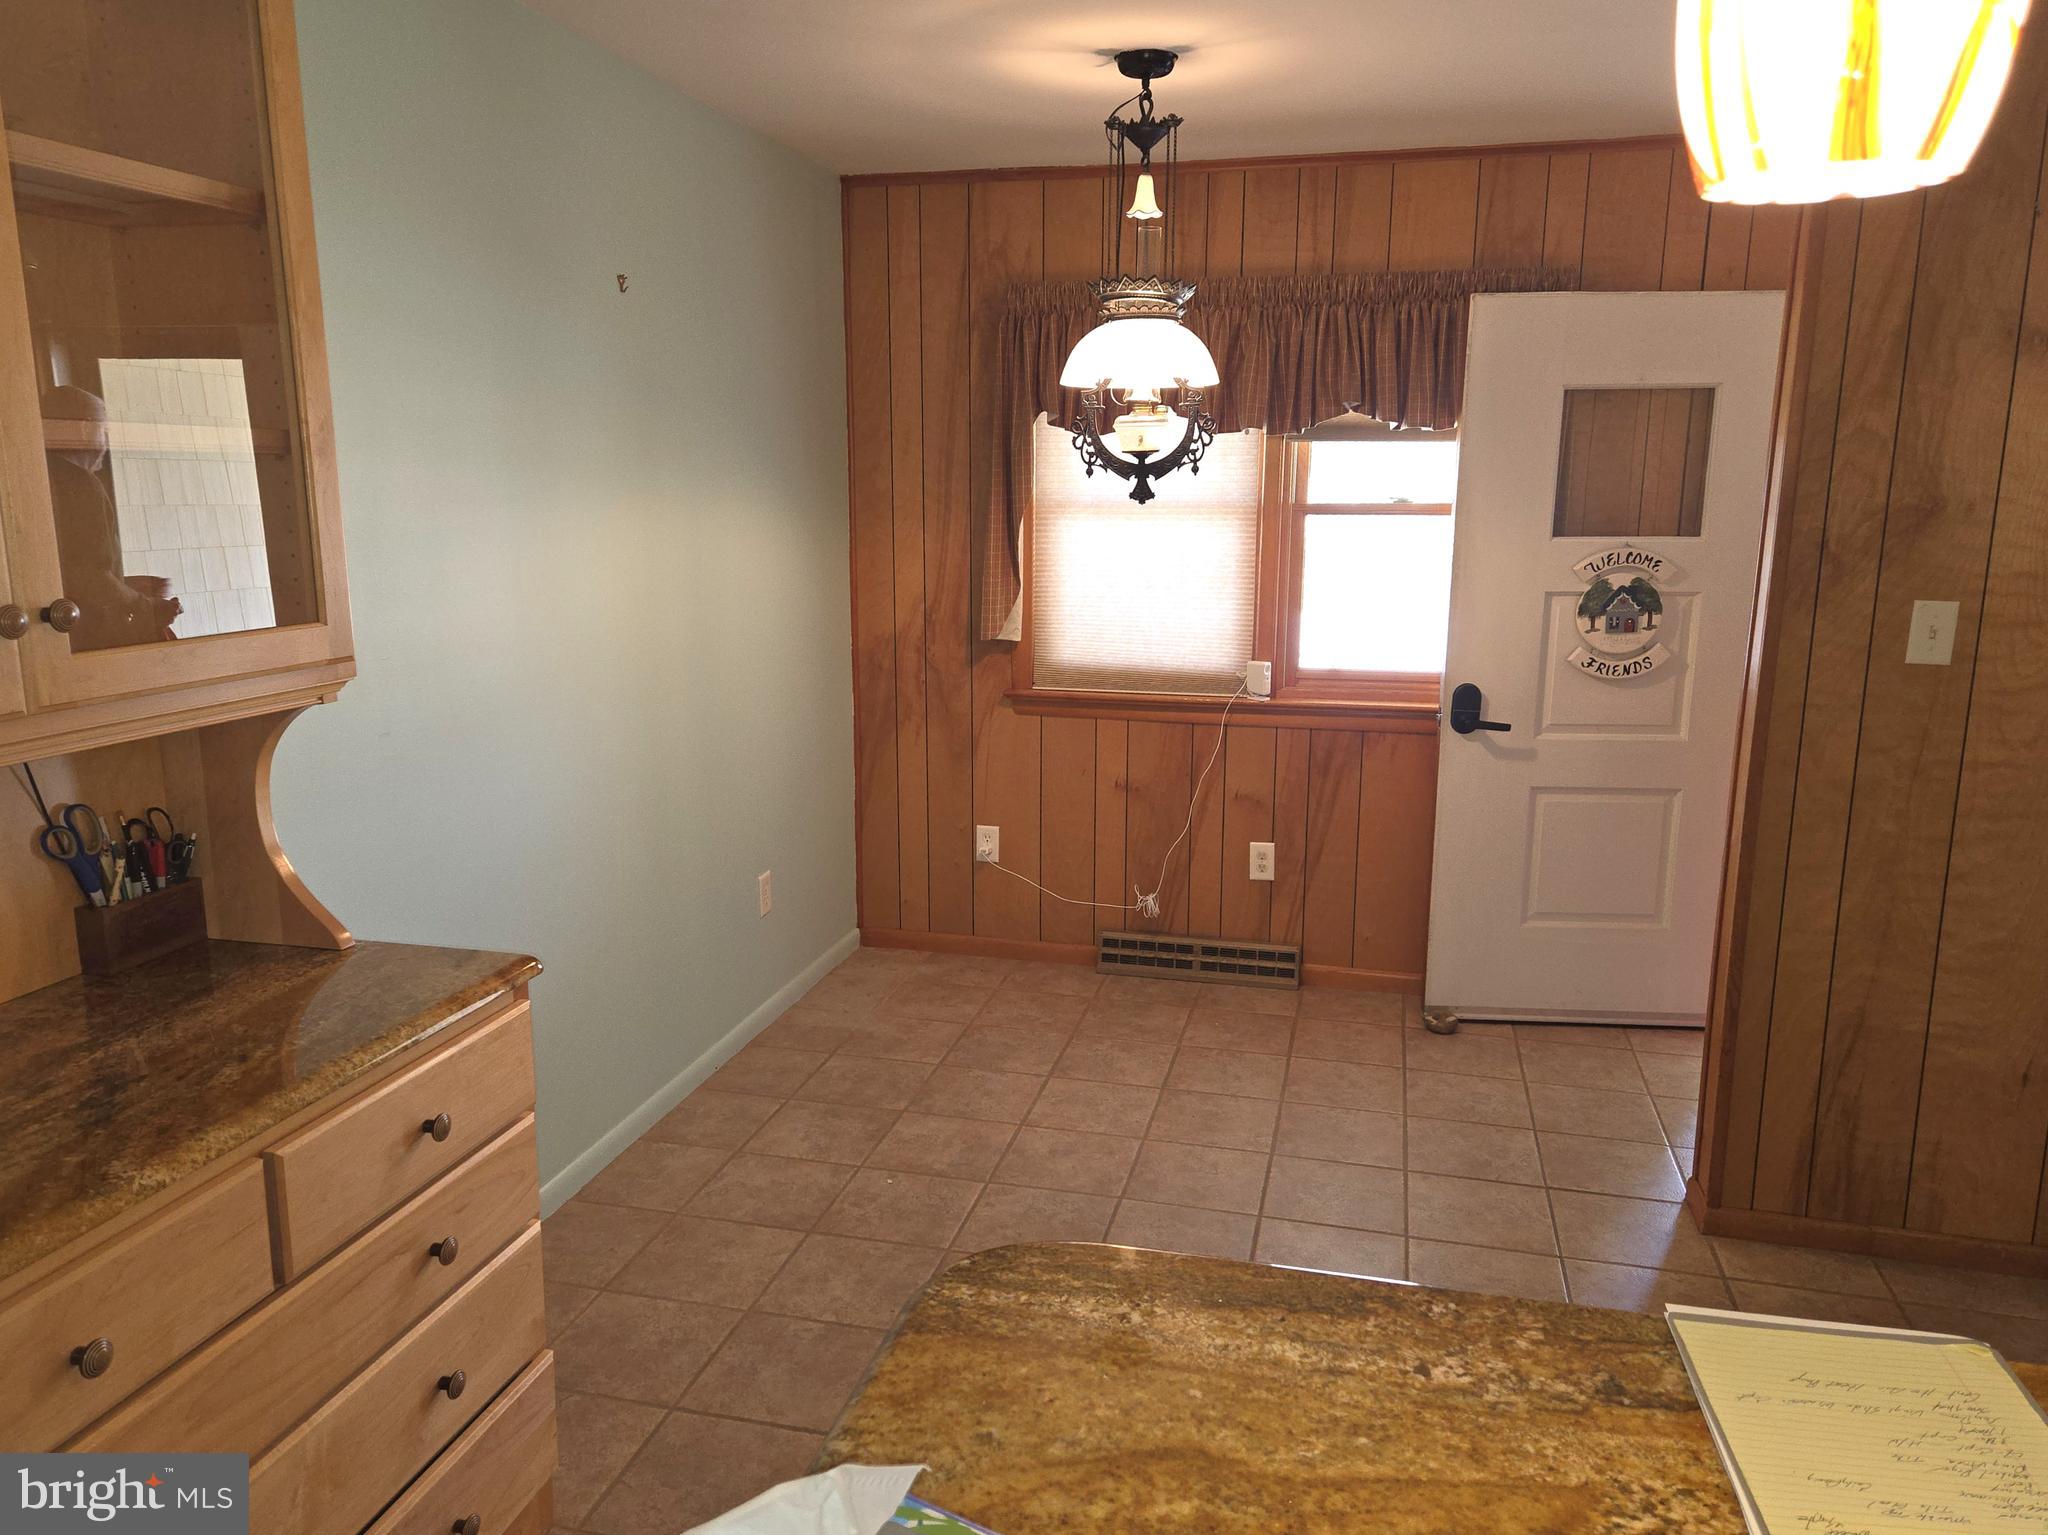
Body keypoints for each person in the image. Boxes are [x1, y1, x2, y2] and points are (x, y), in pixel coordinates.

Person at [42, 384, 179, 647]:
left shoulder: (43, 478)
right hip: (87, 637)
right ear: (83, 427)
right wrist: (147, 608)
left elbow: (70, 571)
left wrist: (126, 585)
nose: (106, 443)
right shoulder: (81, 484)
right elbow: (89, 577)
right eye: (104, 431)